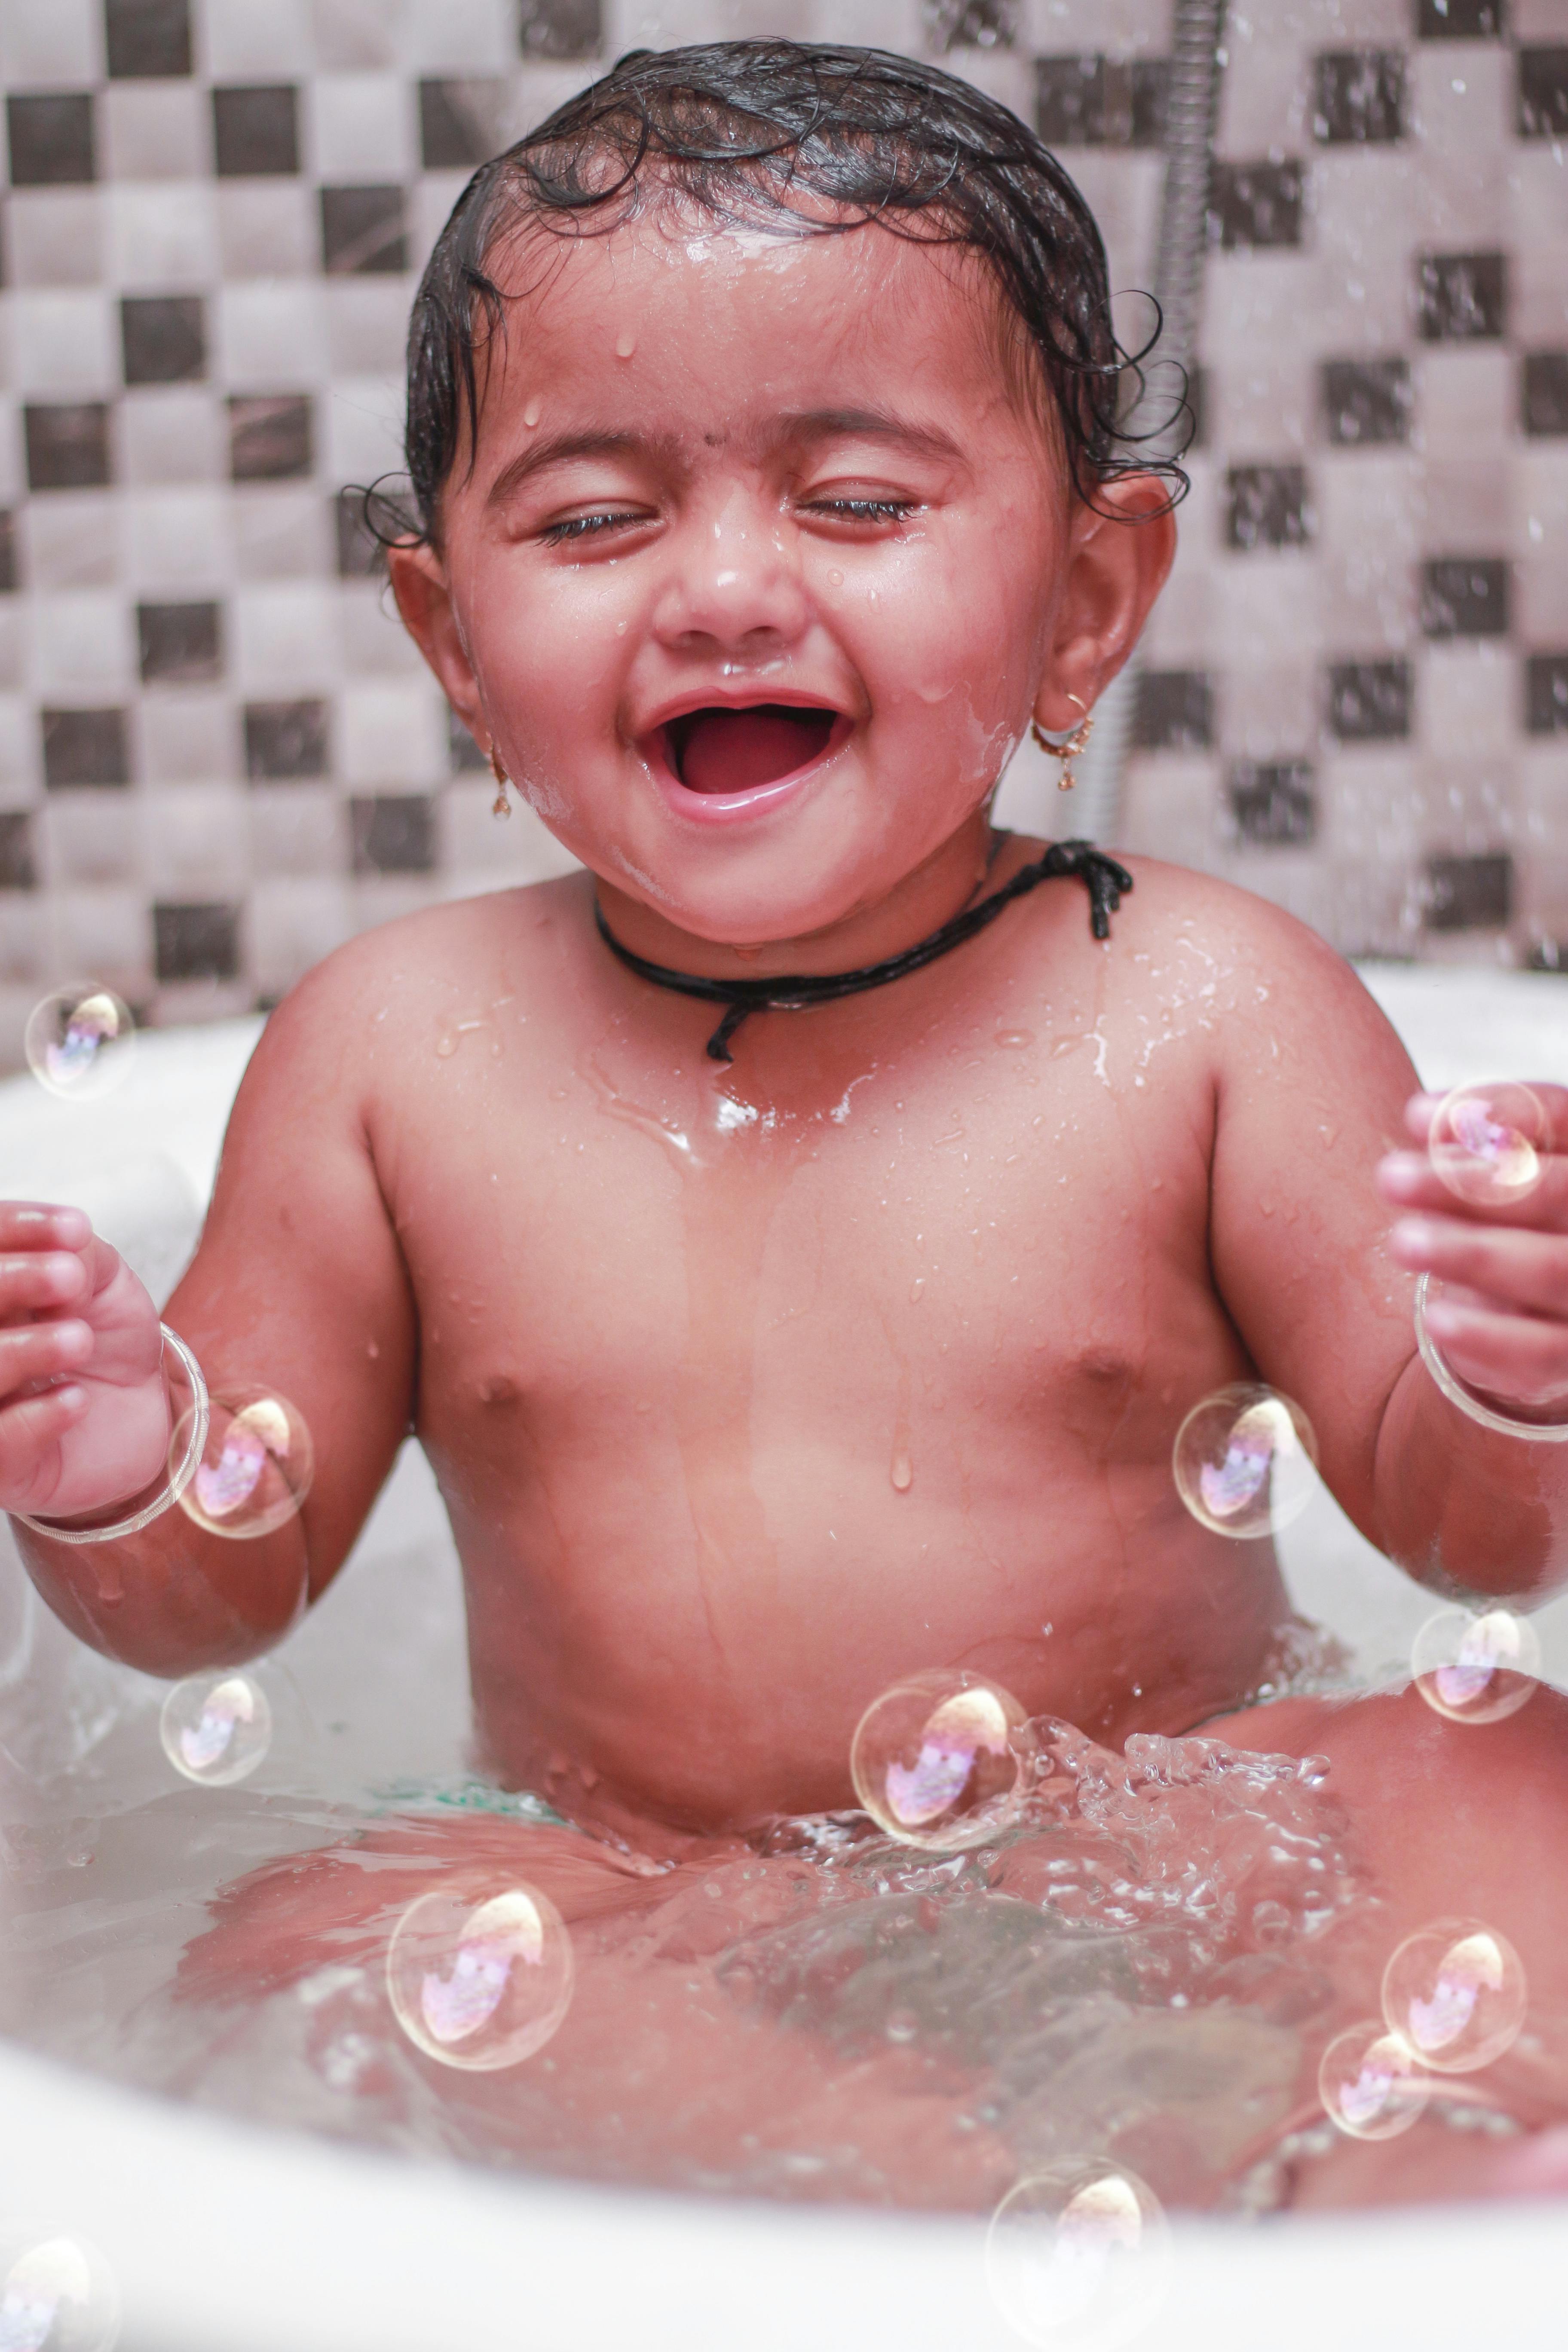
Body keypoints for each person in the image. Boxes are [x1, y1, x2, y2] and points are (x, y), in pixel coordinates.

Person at [6, 44, 1568, 2210]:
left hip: (1185, 1824)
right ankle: (929, 2193)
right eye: (593, 517)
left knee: (1479, 1759)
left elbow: (1468, 1540)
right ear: (452, 639)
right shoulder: (391, 1053)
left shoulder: (1207, 1009)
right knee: (315, 1927)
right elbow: (223, 1584)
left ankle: (1394, 2164)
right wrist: (117, 1473)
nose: (725, 590)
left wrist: (1509, 1376)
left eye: (856, 501)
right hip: (636, 1892)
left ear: (1090, 600)